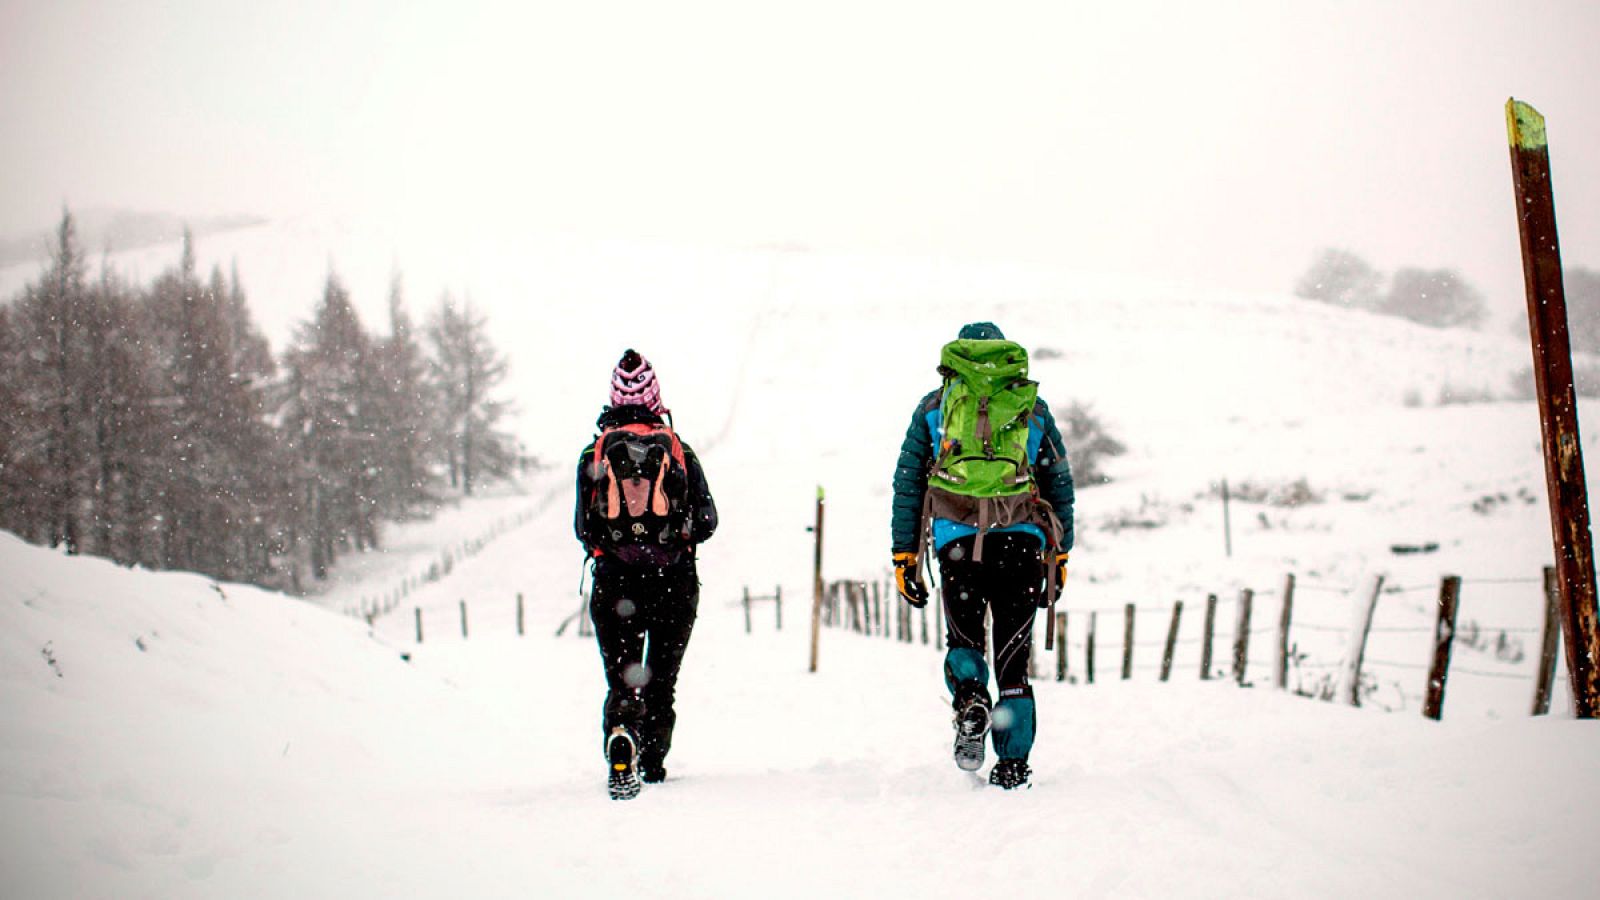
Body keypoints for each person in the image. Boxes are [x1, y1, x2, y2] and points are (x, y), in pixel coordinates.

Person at [890, 322, 1075, 790]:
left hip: (957, 543)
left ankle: (971, 695)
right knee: (1013, 661)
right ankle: (1012, 764)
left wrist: (904, 554)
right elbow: (1059, 483)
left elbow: (909, 484)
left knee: (965, 639)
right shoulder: (1032, 407)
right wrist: (1061, 554)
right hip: (1022, 543)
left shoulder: (936, 407)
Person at [575, 349, 717, 800]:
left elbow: (583, 527)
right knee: (661, 679)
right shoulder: (677, 448)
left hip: (615, 582)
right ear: (656, 395)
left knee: (623, 677)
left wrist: (615, 547)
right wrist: (675, 537)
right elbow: (709, 520)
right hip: (674, 582)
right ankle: (652, 762)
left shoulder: (594, 453)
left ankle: (623, 737)